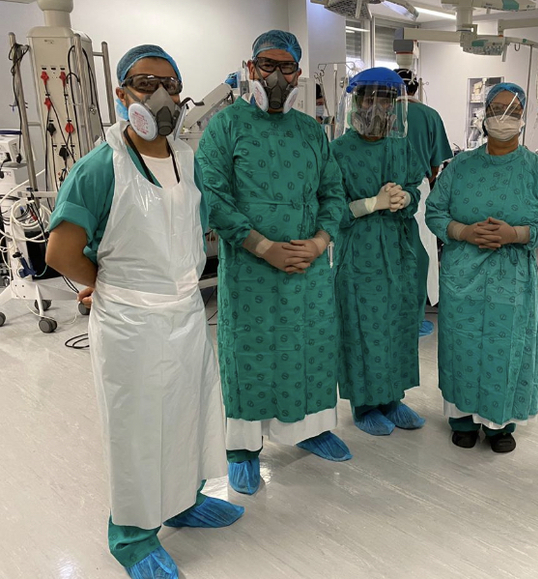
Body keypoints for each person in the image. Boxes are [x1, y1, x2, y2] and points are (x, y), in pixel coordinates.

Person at [45, 45, 243, 579]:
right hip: (130, 323)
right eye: (143, 82)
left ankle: (183, 501)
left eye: (169, 85)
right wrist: (105, 285)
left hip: (183, 313)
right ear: (120, 93)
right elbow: (61, 253)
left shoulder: (185, 154)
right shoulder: (99, 166)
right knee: (136, 431)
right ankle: (131, 535)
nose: (158, 95)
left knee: (187, 414)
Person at [197, 30, 351, 496]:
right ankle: (243, 449)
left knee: (312, 349)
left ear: (299, 74)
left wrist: (321, 240)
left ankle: (312, 428)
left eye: (287, 68)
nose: (278, 76)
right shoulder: (226, 128)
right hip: (251, 271)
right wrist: (264, 247)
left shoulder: (311, 132)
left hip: (307, 270)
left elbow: (333, 194)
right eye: (268, 65)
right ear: (250, 69)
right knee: (252, 355)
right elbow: (214, 199)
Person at [425, 83, 538, 453]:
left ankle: (500, 424)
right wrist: (465, 232)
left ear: (523, 119)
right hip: (463, 275)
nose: (504, 118)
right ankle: (461, 419)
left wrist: (515, 233)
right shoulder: (461, 167)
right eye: (497, 109)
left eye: (513, 111)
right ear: (484, 114)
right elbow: (435, 211)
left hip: (513, 277)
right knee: (463, 346)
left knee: (507, 349)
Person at [330, 68, 427, 436]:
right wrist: (371, 203)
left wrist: (406, 197)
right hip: (359, 256)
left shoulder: (401, 146)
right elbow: (331, 211)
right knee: (362, 328)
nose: (376, 106)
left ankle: (392, 399)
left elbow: (416, 187)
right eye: (368, 98)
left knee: (397, 325)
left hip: (399, 252)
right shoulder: (338, 151)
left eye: (384, 99)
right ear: (355, 102)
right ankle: (364, 404)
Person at [394, 68, 452, 336]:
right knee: (419, 257)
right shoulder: (429, 116)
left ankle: (389, 317)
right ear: (417, 88)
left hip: (383, 193)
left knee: (389, 256)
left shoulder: (378, 115)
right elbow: (435, 164)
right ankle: (415, 319)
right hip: (417, 192)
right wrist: (426, 180)